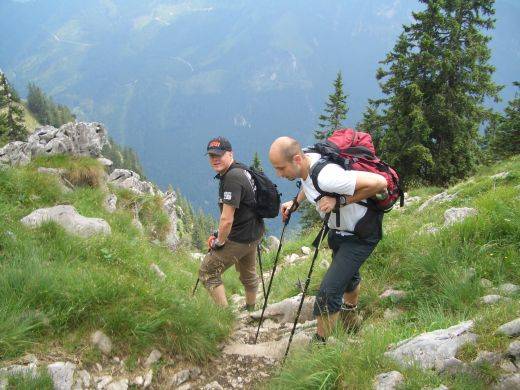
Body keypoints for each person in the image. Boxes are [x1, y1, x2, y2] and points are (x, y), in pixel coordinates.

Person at [268, 136, 387, 342]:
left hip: (360, 233)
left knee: (327, 292)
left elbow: (380, 183)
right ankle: (350, 318)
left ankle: (322, 346)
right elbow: (309, 181)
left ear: (297, 159)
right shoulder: (307, 161)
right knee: (348, 278)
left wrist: (339, 200)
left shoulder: (329, 176)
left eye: (280, 168)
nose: (278, 174)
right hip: (338, 231)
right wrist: (295, 202)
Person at [199, 136, 264, 311]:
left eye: (220, 155)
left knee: (207, 272)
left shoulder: (232, 178)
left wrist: (219, 242)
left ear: (230, 154)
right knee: (248, 274)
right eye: (212, 156)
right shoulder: (241, 170)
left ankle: (224, 315)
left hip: (240, 237)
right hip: (254, 233)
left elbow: (227, 220)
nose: (215, 159)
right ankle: (251, 308)